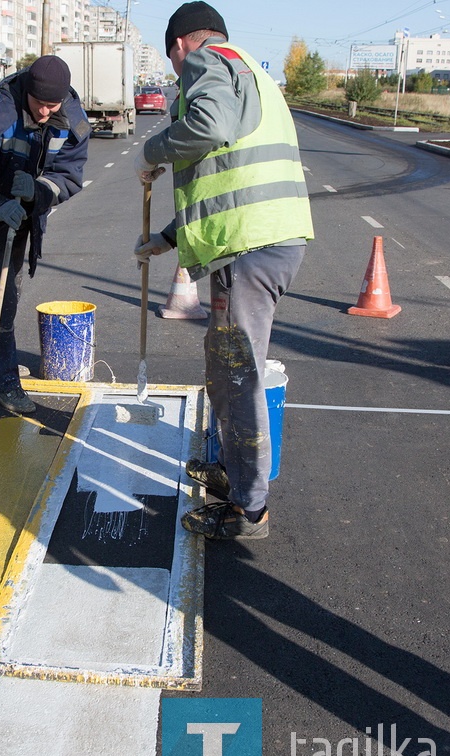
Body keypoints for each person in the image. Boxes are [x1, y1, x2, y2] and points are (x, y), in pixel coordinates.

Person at [133, 1, 313, 540]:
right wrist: (167, 238)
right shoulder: (249, 69)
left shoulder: (208, 62)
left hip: (249, 249)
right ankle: (237, 473)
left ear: (182, 43)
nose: (174, 72)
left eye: (172, 60)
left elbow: (208, 128)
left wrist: (153, 150)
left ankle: (248, 510)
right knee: (227, 367)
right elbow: (228, 173)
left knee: (238, 379)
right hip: (258, 242)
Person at [0, 55, 91, 414]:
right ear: (27, 91)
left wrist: (39, 192)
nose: (45, 112)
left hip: (25, 216)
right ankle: (3, 379)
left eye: (52, 105)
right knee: (4, 294)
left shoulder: (72, 122)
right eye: (39, 103)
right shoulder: (1, 113)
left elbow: (68, 175)